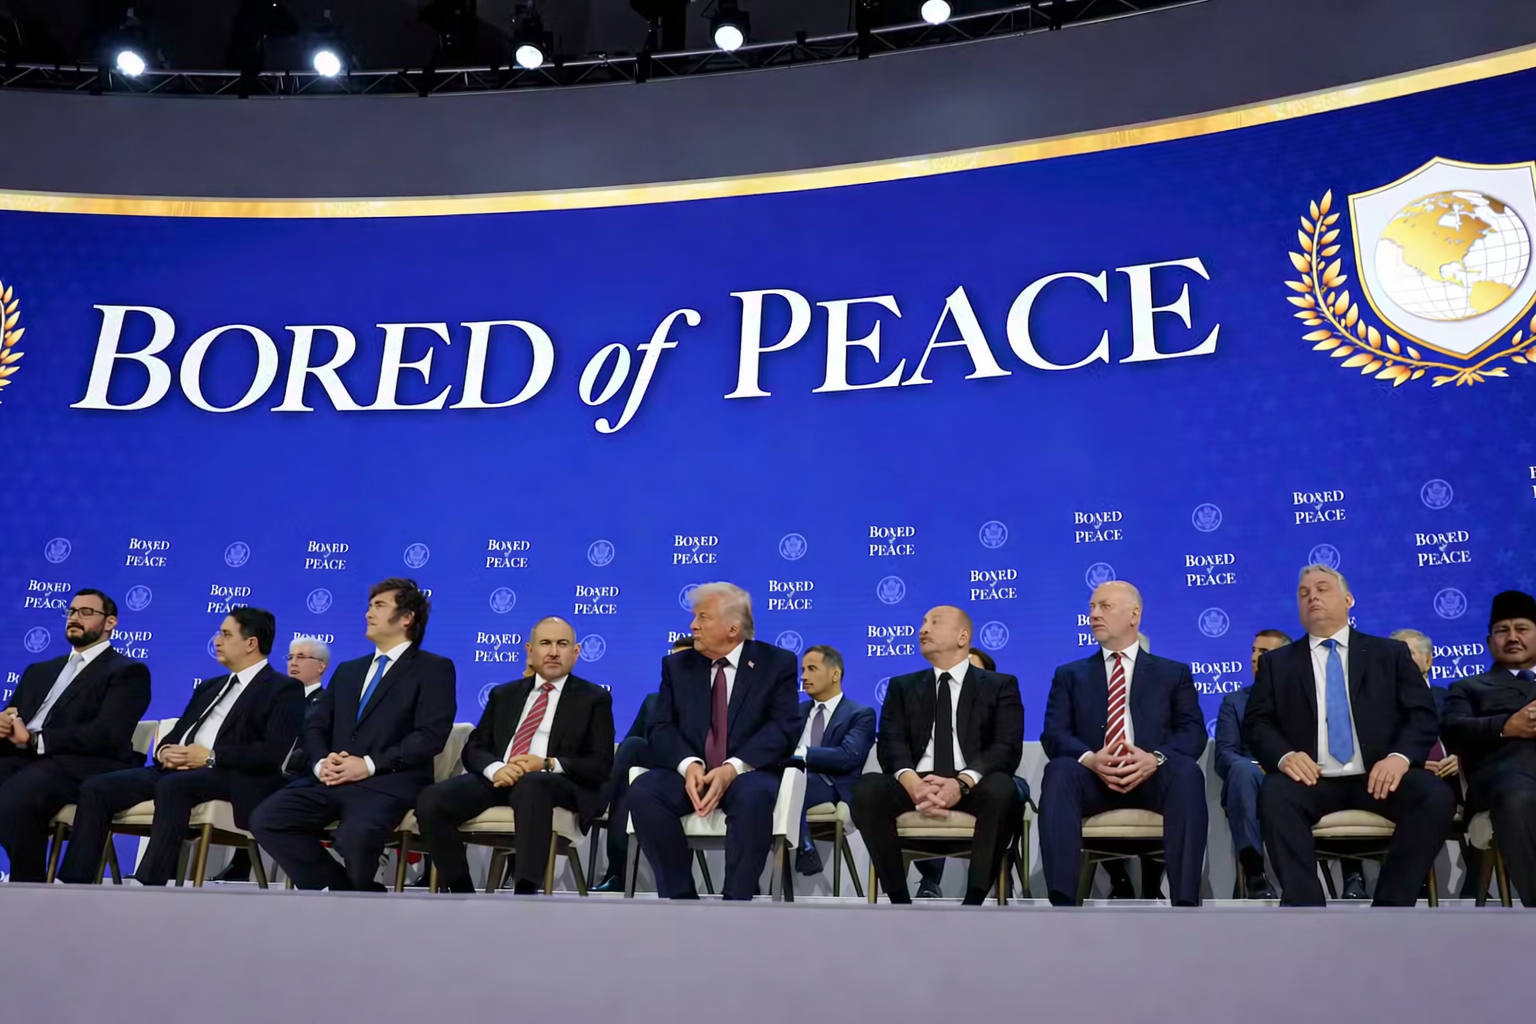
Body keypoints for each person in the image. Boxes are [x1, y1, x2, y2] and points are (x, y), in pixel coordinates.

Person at [1242, 564, 1452, 906]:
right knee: (1275, 794)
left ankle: (1392, 905)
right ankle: (1305, 908)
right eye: (1304, 593)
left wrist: (1399, 758)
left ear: (1349, 600)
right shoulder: (1278, 663)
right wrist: (1285, 756)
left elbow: (1422, 715)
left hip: (1379, 776)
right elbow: (1257, 724)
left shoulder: (1389, 654)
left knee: (1435, 796)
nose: (1312, 597)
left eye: (1322, 589)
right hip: (1312, 779)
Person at [57, 608, 302, 886]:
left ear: (251, 643)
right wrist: (165, 752)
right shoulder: (209, 687)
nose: (217, 641)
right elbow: (177, 733)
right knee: (97, 787)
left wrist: (210, 757)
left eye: (226, 634)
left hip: (232, 775)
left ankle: (148, 883)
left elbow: (271, 753)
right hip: (177, 769)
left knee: (174, 786)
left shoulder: (283, 689)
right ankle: (74, 881)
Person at [250, 578, 455, 891]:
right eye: (369, 606)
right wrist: (322, 763)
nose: (368, 613)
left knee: (356, 836)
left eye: (379, 606)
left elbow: (429, 736)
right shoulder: (349, 670)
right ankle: (343, 889)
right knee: (267, 818)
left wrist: (368, 765)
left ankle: (356, 898)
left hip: (387, 783)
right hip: (331, 779)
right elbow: (315, 726)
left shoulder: (433, 668)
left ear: (406, 617)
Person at [416, 616, 614, 894]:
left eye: (562, 644)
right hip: (501, 779)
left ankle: (525, 891)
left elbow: (600, 764)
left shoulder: (594, 698)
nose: (553, 651)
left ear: (576, 652)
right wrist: (496, 768)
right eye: (545, 643)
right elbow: (475, 747)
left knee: (533, 784)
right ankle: (460, 889)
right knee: (432, 799)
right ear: (529, 651)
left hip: (556, 783)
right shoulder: (504, 694)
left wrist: (546, 763)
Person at [1039, 581, 1208, 906]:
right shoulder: (1070, 675)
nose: (1094, 615)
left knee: (1187, 773)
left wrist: (1155, 758)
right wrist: (1090, 759)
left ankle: (1186, 902)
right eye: (1091, 607)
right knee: (1059, 771)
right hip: (1094, 779)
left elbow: (1192, 732)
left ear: (1134, 615)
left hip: (1152, 777)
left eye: (1104, 606)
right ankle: (1062, 901)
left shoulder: (1172, 673)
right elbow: (1054, 733)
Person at [628, 582, 799, 900]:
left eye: (703, 617)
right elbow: (661, 726)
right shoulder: (677, 666)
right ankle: (679, 897)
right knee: (645, 791)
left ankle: (736, 901)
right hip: (692, 774)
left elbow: (784, 728)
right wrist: (688, 765)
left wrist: (733, 768)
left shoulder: (776, 663)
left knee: (752, 796)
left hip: (747, 772)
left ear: (733, 629)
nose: (693, 625)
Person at [852, 605, 1024, 905]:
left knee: (1002, 788)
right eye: (923, 622)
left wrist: (961, 783)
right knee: (868, 788)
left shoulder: (1000, 685)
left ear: (962, 637)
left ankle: (974, 901)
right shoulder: (902, 686)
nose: (923, 629)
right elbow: (890, 744)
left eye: (935, 622)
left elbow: (1005, 746)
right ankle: (898, 899)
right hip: (916, 784)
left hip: (971, 785)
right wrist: (912, 784)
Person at [0, 589, 152, 882]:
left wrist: (36, 740)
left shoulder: (128, 672)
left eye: (86, 612)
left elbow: (107, 734)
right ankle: (29, 882)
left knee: (15, 798)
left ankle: (27, 884)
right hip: (24, 757)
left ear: (110, 622)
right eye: (71, 612)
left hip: (82, 762)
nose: (74, 618)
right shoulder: (39, 670)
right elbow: (15, 717)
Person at [1442, 590, 1536, 906]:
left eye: (1522, 629)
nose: (1513, 637)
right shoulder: (1469, 688)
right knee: (1519, 797)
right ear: (1489, 642)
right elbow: (1453, 731)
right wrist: (1506, 725)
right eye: (1502, 630)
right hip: (1502, 780)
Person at [216, 636, 332, 883]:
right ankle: (239, 862)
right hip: (266, 768)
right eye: (290, 657)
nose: (293, 663)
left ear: (321, 666)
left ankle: (243, 864)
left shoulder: (327, 701)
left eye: (302, 657)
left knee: (256, 784)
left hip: (300, 775)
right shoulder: (273, 698)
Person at [591, 638, 687, 893]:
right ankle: (617, 872)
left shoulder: (708, 700)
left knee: (633, 749)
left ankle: (594, 806)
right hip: (649, 771)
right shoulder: (653, 701)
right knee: (627, 787)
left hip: (684, 771)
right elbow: (628, 745)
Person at [1214, 629, 1290, 899]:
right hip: (1249, 778)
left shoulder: (1303, 700)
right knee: (1242, 769)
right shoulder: (1235, 702)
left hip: (1293, 777)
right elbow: (1224, 755)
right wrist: (1256, 766)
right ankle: (1254, 872)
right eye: (1254, 651)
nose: (1255, 658)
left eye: (1264, 653)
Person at [793, 644, 875, 879]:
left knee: (791, 785)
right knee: (762, 788)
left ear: (835, 674)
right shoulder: (794, 712)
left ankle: (804, 846)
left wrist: (800, 754)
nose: (804, 676)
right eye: (802, 670)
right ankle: (804, 845)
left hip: (833, 786)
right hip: (792, 778)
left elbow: (847, 757)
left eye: (811, 669)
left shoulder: (860, 714)